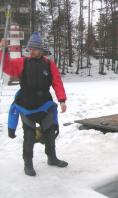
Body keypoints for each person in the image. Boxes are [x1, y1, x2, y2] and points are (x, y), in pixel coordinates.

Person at [0, 32, 68, 176]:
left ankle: (52, 158)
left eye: (35, 49)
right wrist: (3, 51)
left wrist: (61, 100)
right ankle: (28, 163)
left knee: (49, 132)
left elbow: (57, 82)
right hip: (26, 105)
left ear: (41, 50)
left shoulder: (49, 64)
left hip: (45, 104)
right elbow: (6, 67)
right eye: (30, 49)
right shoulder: (22, 62)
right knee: (29, 135)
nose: (32, 51)